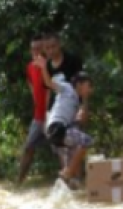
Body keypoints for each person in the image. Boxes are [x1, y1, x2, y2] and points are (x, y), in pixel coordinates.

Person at [46, 73, 94, 188]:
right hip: (57, 128)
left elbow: (82, 121)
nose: (91, 89)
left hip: (60, 132)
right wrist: (43, 68)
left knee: (72, 181)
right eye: (88, 86)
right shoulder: (67, 88)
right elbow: (49, 83)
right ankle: (68, 172)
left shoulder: (76, 102)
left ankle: (67, 180)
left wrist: (85, 99)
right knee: (86, 140)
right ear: (78, 85)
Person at [17, 34, 51, 183]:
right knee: (29, 147)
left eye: (38, 49)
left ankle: (71, 180)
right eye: (33, 49)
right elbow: (31, 86)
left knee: (62, 148)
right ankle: (19, 181)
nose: (35, 52)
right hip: (38, 115)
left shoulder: (50, 66)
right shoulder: (30, 67)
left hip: (52, 114)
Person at [42, 32, 84, 104]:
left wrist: (83, 106)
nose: (51, 51)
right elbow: (47, 90)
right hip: (55, 107)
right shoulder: (46, 66)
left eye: (53, 46)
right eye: (47, 48)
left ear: (60, 44)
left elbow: (83, 85)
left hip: (72, 105)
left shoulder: (73, 60)